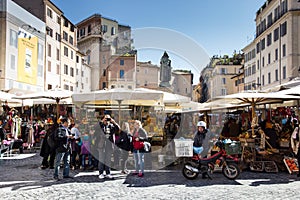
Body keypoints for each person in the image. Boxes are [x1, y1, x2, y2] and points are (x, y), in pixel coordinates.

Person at [98, 114, 120, 180]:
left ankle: (108, 173)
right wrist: (102, 122)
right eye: (106, 118)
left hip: (109, 145)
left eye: (108, 119)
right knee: (101, 159)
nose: (107, 120)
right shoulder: (101, 125)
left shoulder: (112, 126)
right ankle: (101, 173)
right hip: (101, 145)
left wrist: (113, 122)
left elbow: (118, 129)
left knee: (108, 160)